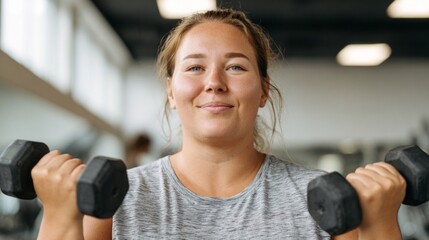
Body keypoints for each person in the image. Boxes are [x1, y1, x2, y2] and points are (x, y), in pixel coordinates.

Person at [32, 8, 405, 240]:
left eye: (236, 67)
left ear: (263, 91)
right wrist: (58, 217)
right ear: (171, 92)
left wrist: (382, 226)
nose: (214, 82)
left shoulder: (322, 198)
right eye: (195, 67)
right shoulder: (119, 199)